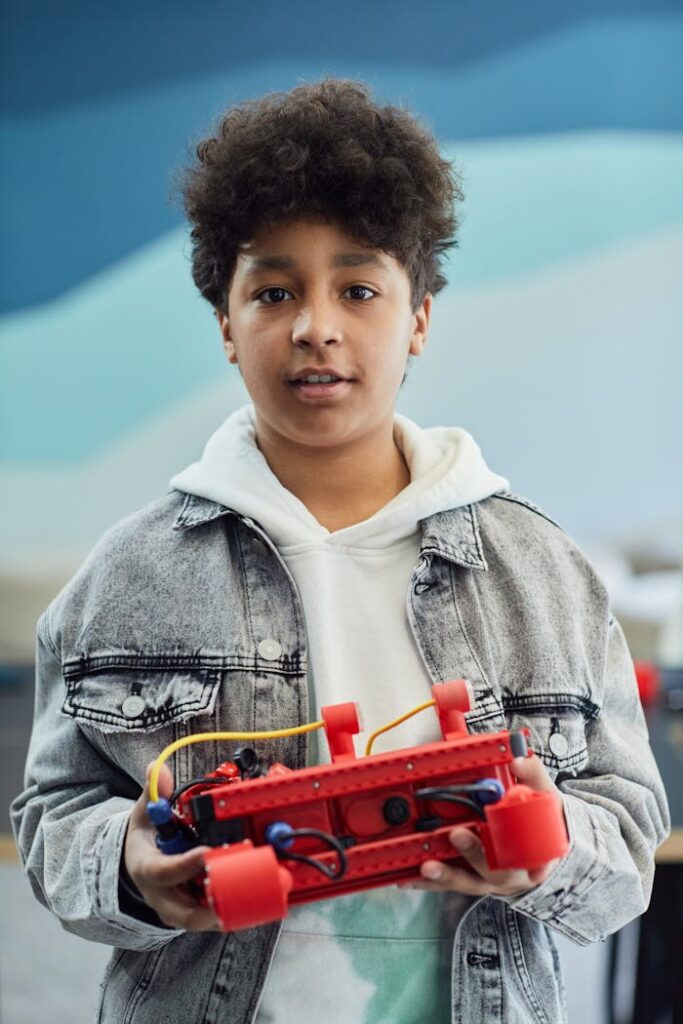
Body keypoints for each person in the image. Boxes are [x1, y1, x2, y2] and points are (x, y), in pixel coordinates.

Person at [11, 78, 669, 1024]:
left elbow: (629, 845)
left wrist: (550, 844)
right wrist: (130, 866)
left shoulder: (544, 576)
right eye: (274, 290)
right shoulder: (125, 577)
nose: (316, 324)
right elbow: (51, 818)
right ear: (226, 326)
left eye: (357, 288)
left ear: (418, 319)